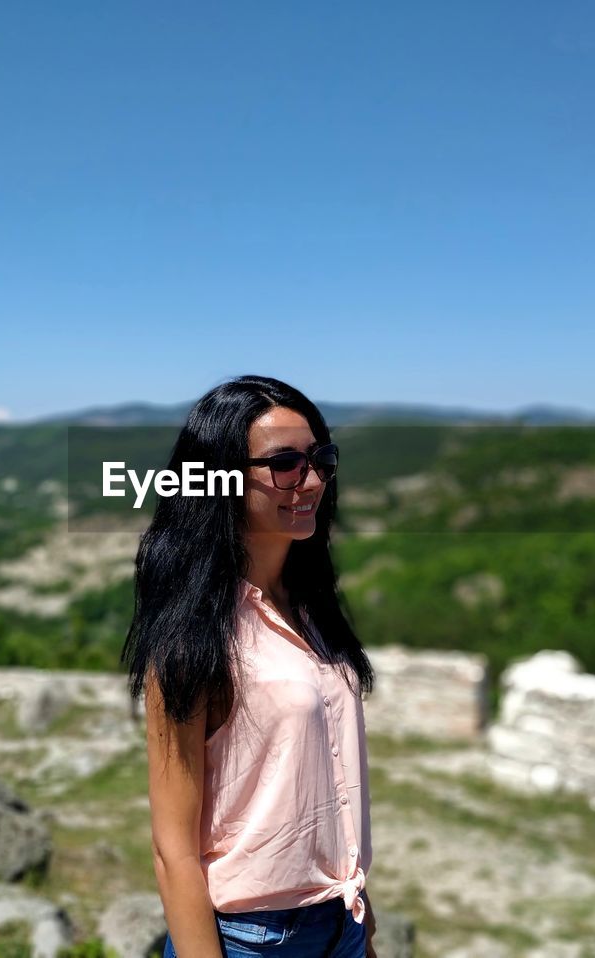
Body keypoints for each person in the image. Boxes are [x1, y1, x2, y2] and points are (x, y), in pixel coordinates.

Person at [124, 375, 378, 958]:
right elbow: (174, 850)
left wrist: (362, 929)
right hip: (253, 942)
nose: (311, 480)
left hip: (343, 922)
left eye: (321, 458)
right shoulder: (195, 634)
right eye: (284, 463)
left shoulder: (313, 612)